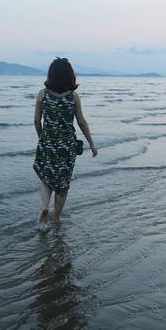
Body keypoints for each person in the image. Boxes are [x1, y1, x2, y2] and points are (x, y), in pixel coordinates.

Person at [33, 57, 98, 223]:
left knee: (45, 176)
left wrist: (41, 138)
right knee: (63, 183)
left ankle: (45, 206)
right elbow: (81, 122)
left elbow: (36, 120)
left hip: (47, 142)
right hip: (67, 146)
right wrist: (91, 143)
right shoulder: (73, 97)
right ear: (70, 76)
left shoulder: (42, 95)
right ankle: (56, 218)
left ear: (51, 75)